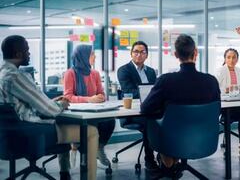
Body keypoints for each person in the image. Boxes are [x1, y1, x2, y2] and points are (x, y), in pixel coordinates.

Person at [0, 35, 99, 180]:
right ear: (18, 54)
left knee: (64, 121)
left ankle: (64, 172)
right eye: (27, 50)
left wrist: (53, 102)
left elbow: (24, 106)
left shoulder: (2, 74)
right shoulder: (15, 76)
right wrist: (61, 104)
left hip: (8, 135)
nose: (29, 54)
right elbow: (50, 111)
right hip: (30, 133)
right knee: (91, 131)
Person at [140, 34, 220, 177]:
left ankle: (168, 159)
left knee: (153, 120)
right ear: (196, 53)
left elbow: (145, 108)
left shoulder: (166, 80)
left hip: (171, 139)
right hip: (204, 139)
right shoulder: (211, 81)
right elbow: (217, 110)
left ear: (176, 54)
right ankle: (171, 159)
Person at [63, 45, 115, 168]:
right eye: (92, 54)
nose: (95, 56)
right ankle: (77, 148)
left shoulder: (95, 73)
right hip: (76, 114)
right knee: (90, 125)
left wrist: (101, 97)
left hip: (94, 111)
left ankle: (99, 148)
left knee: (110, 121)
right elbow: (68, 97)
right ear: (83, 57)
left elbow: (101, 93)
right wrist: (89, 99)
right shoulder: (70, 74)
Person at [117, 41, 158, 171]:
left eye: (142, 52)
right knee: (150, 121)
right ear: (131, 53)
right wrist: (150, 93)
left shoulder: (151, 72)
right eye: (136, 51)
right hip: (133, 113)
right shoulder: (124, 70)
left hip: (150, 108)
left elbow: (156, 90)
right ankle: (149, 160)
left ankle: (166, 157)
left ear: (146, 55)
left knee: (168, 116)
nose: (139, 55)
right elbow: (129, 91)